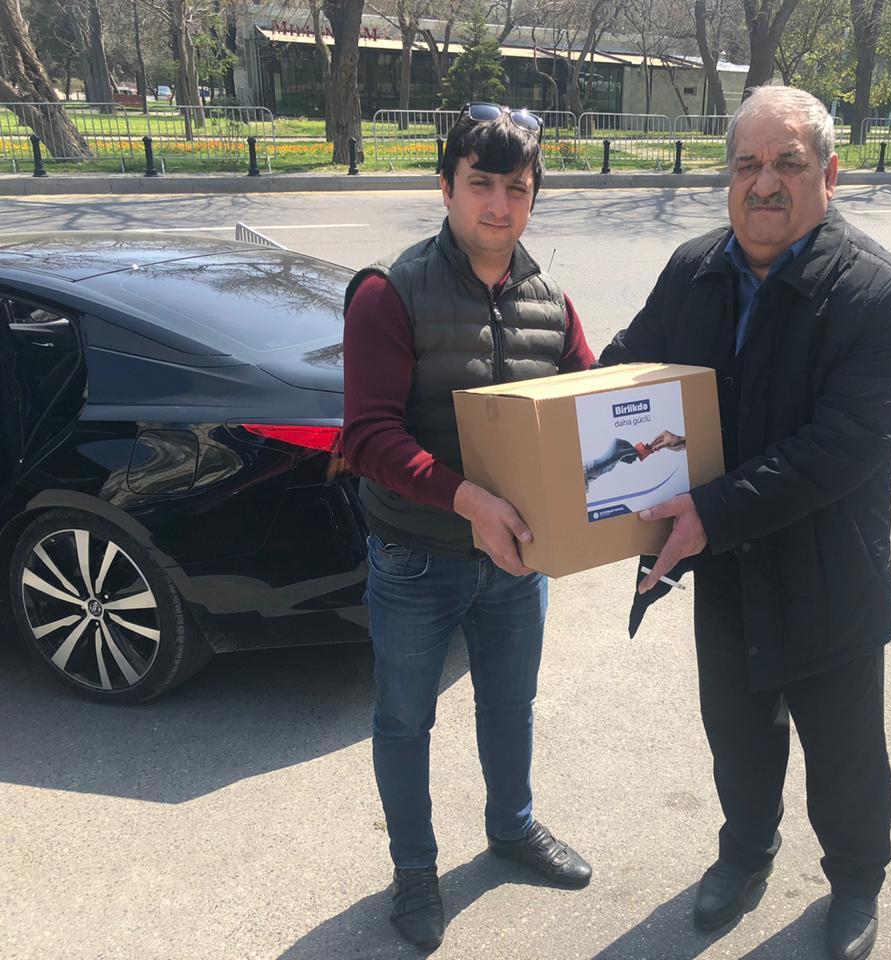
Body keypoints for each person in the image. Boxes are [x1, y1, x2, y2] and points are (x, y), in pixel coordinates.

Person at [599, 86, 891, 960]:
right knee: (737, 735)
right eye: (747, 164)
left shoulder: (880, 292)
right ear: (728, 176)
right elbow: (628, 369)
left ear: (830, 173)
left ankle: (855, 880)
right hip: (727, 568)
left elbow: (842, 447)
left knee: (845, 755)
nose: (765, 183)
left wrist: (709, 511)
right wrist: (551, 428)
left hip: (828, 572)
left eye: (788, 163)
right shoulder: (695, 269)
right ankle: (745, 853)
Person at [341, 103, 596, 953]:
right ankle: (415, 869)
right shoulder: (389, 293)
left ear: (534, 197)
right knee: (404, 719)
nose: (498, 204)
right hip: (418, 556)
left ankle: (511, 826)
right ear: (445, 187)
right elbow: (369, 436)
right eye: (480, 183)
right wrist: (471, 503)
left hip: (518, 558)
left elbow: (585, 408)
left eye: (516, 188)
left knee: (511, 703)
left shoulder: (551, 300)